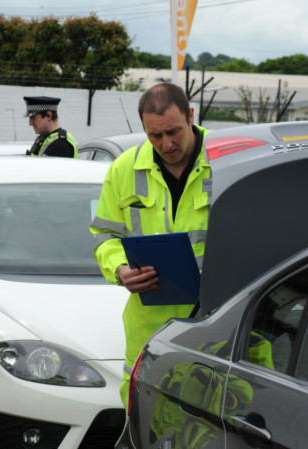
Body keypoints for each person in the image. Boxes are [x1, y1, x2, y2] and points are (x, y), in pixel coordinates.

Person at [89, 83, 211, 408]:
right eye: (154, 135)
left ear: (191, 116)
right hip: (149, 328)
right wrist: (120, 269)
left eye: (173, 132)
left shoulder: (226, 160)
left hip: (217, 324)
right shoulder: (123, 169)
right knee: (147, 421)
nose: (166, 144)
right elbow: (103, 235)